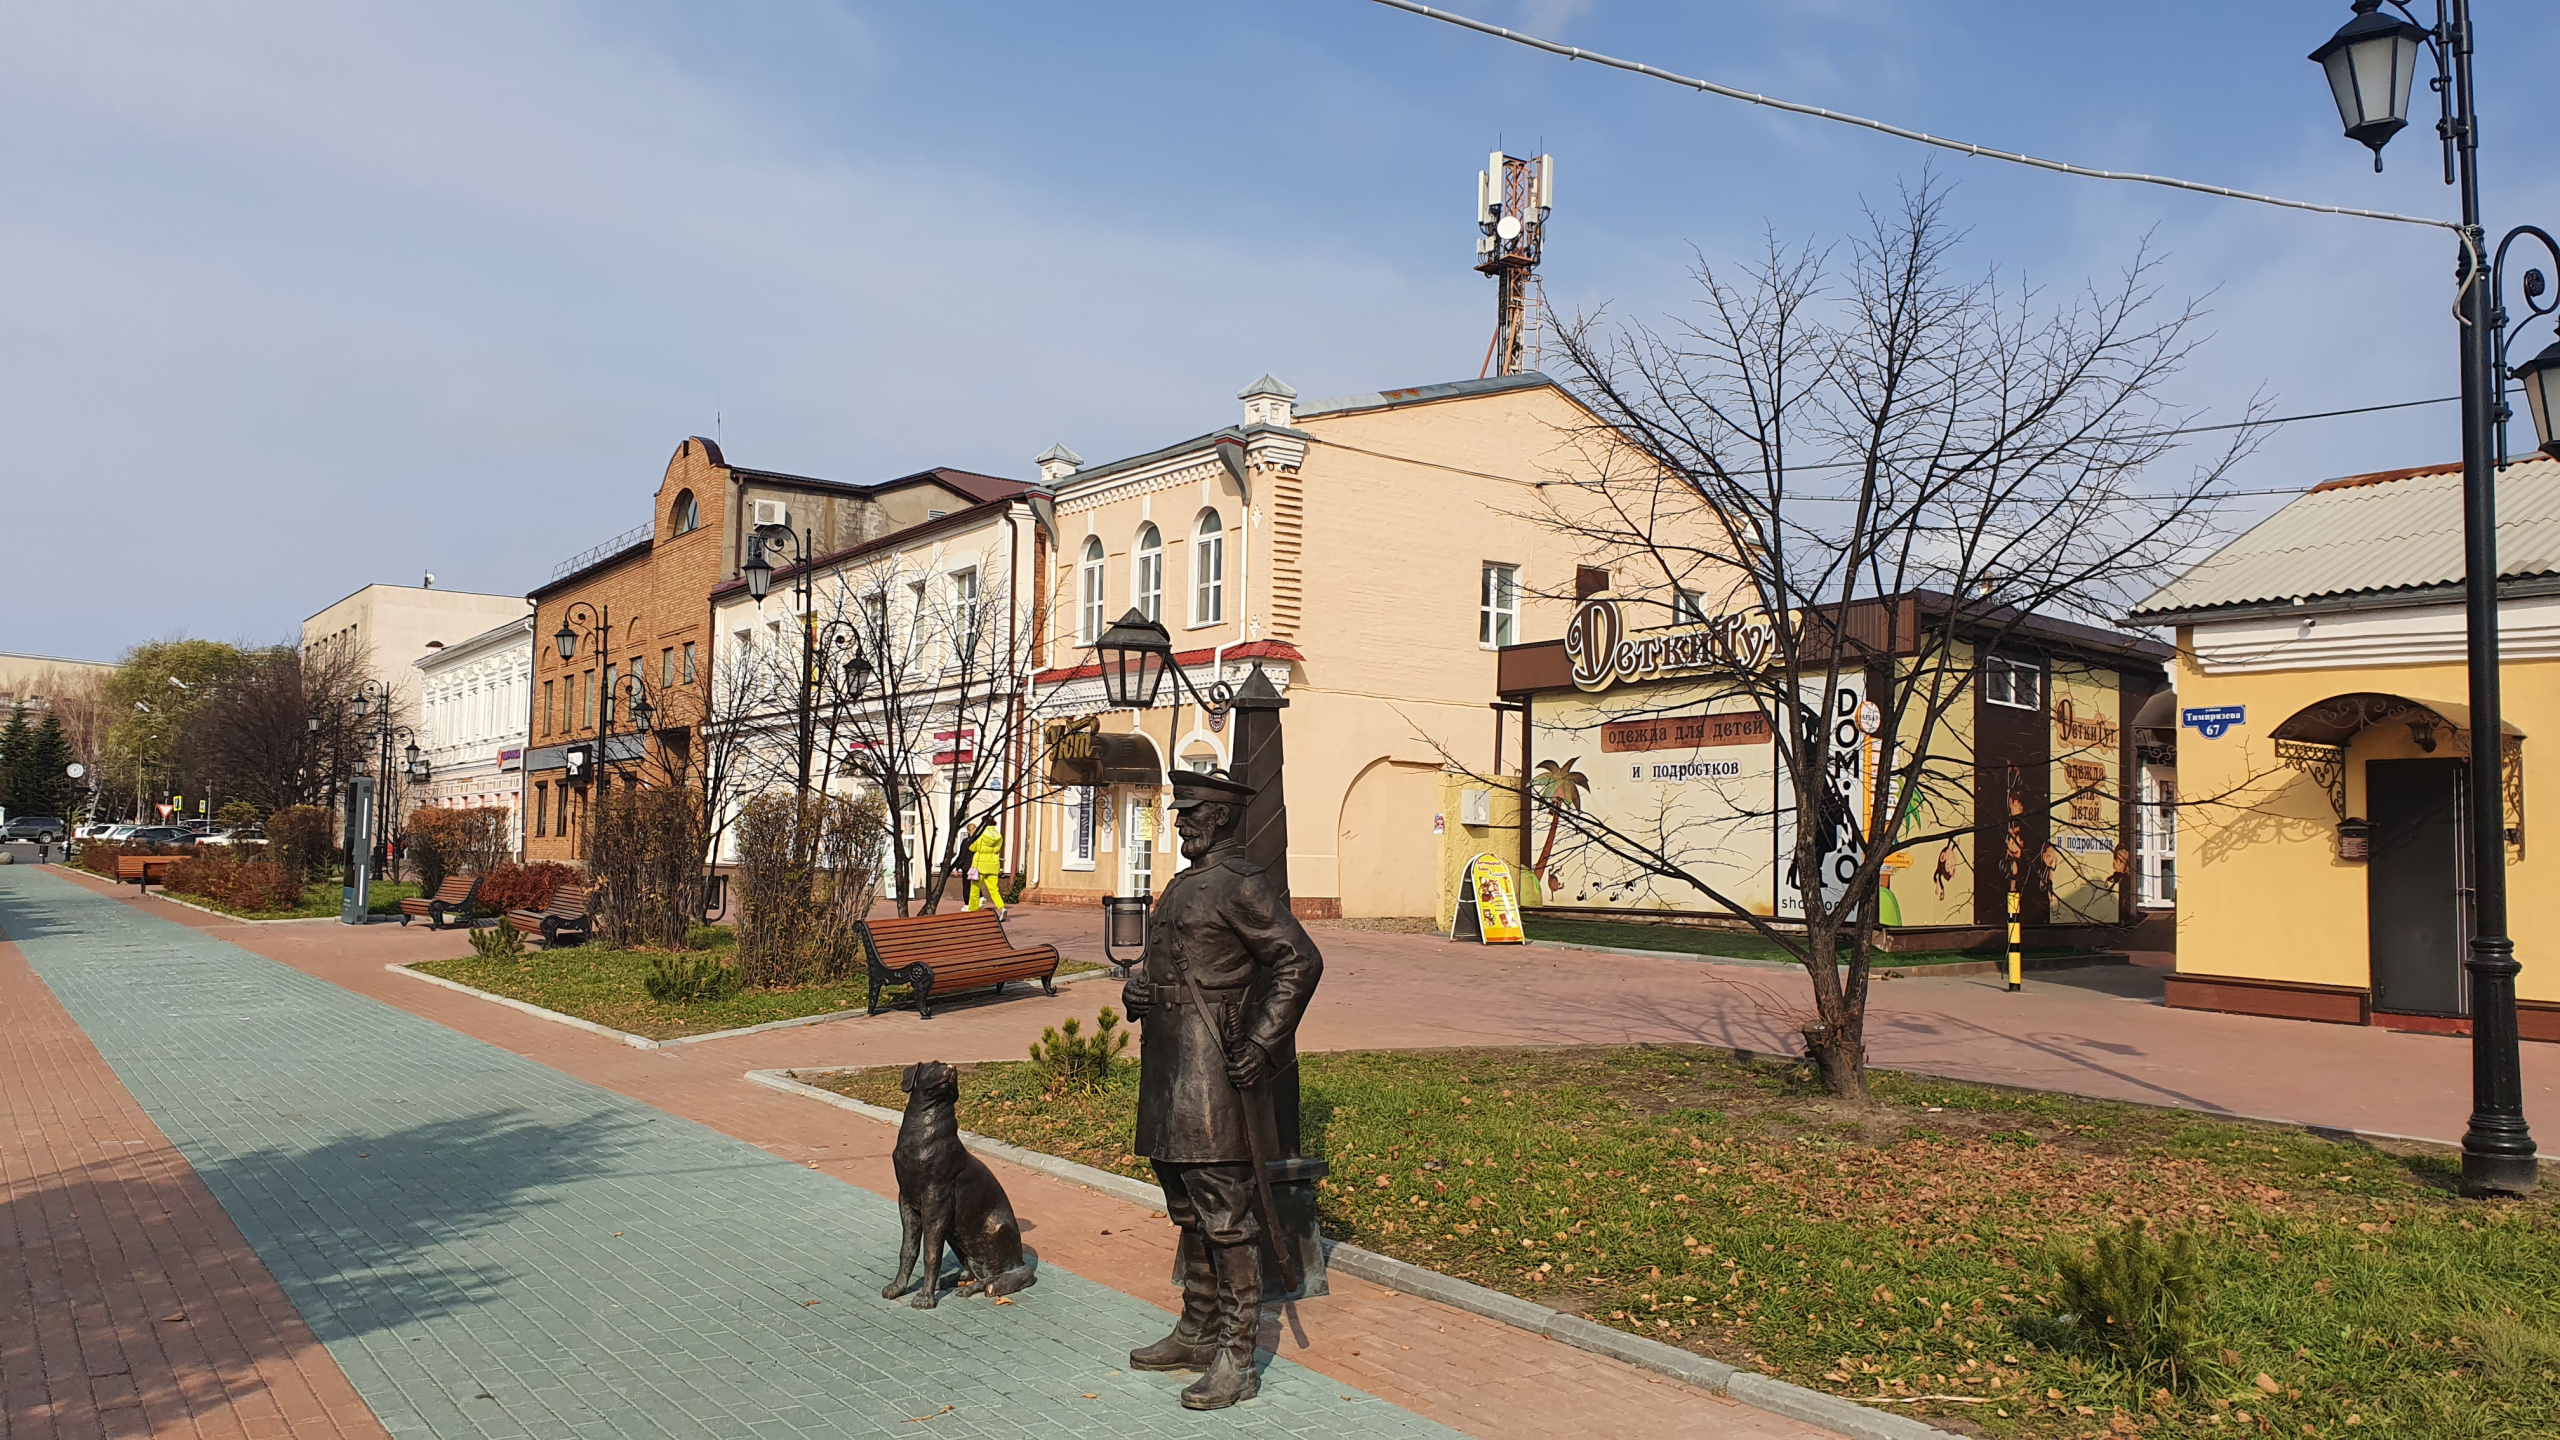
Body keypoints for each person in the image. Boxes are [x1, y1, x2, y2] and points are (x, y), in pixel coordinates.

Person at [1119, 769, 1322, 1410]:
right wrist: (1140, 993)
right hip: (1168, 1063)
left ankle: (1238, 1355)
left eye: (1192, 811)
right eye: (1181, 811)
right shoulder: (1184, 884)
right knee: (1184, 1200)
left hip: (1211, 1069)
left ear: (1223, 819)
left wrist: (1262, 1043)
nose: (1180, 821)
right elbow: (1178, 963)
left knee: (1225, 1214)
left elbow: (1299, 959)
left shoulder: (1241, 885)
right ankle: (1198, 1327)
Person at [963, 821, 1006, 912]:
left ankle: (973, 910)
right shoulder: (998, 836)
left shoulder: (980, 834)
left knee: (975, 889)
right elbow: (999, 848)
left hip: (980, 865)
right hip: (993, 864)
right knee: (994, 889)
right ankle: (1001, 907)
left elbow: (972, 847)